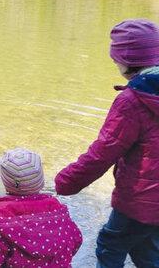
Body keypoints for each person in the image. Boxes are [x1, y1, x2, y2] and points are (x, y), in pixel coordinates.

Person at [55, 18, 159, 267]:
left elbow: (103, 153)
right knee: (148, 251)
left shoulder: (132, 100)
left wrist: (66, 182)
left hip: (140, 200)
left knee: (110, 245)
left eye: (115, 59)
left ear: (125, 60)